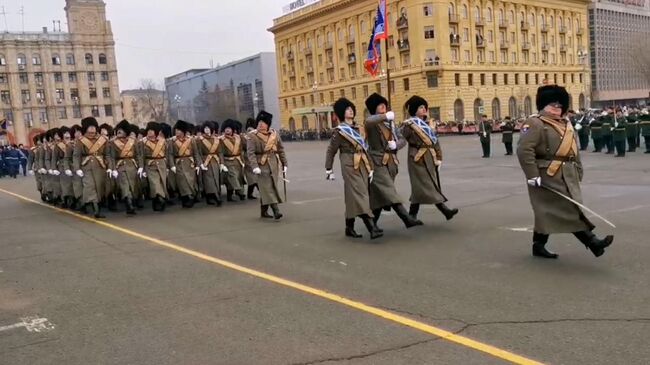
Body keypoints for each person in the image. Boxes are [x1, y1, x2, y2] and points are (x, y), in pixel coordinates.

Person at [517, 85, 614, 259]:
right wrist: (532, 175)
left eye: (559, 105)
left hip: (567, 173)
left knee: (548, 212)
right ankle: (593, 243)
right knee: (568, 209)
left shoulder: (565, 123)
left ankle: (538, 245)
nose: (557, 108)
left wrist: (578, 170)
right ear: (543, 105)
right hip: (548, 174)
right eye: (552, 105)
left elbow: (573, 150)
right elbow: (524, 150)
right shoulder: (535, 122)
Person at [326, 98, 382, 239]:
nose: (350, 110)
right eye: (346, 109)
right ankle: (371, 227)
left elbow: (365, 148)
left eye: (351, 108)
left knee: (354, 195)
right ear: (341, 113)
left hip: (362, 162)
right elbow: (331, 150)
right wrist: (329, 169)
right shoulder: (339, 131)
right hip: (349, 163)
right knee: (360, 194)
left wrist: (371, 167)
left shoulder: (358, 129)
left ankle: (349, 227)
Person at [364, 93, 422, 229]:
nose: (383, 105)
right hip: (377, 162)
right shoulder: (373, 124)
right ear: (374, 108)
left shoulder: (390, 123)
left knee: (381, 196)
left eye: (384, 103)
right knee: (390, 192)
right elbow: (369, 121)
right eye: (379, 104)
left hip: (391, 162)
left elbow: (402, 139)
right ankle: (407, 219)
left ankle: (372, 225)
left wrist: (396, 145)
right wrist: (385, 116)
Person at [402, 95, 459, 223]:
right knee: (427, 186)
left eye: (424, 107)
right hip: (417, 158)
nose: (424, 109)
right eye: (420, 107)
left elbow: (435, 142)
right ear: (414, 110)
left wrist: (439, 157)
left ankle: (412, 215)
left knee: (422, 187)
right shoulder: (409, 125)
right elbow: (401, 138)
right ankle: (445, 211)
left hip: (430, 157)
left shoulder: (427, 125)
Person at [246, 111, 288, 220]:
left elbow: (281, 150)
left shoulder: (274, 134)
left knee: (268, 188)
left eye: (263, 122)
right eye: (259, 122)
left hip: (273, 164)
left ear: (268, 124)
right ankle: (276, 211)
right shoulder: (252, 136)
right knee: (267, 188)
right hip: (261, 165)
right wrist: (255, 166)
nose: (261, 124)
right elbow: (250, 153)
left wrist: (285, 163)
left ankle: (263, 211)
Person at [73, 117, 110, 219]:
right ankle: (96, 210)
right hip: (87, 167)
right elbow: (76, 156)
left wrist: (110, 167)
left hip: (100, 166)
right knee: (90, 187)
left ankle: (95, 204)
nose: (92, 130)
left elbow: (107, 154)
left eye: (93, 127)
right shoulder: (81, 141)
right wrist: (77, 168)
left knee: (100, 187)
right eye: (90, 127)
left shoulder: (103, 140)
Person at [107, 120, 140, 215]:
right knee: (124, 185)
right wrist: (113, 169)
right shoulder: (113, 143)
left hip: (132, 165)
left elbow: (138, 155)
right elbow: (111, 157)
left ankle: (130, 201)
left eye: (121, 130)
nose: (119, 132)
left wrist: (140, 167)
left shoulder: (133, 141)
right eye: (118, 130)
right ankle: (129, 204)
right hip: (120, 165)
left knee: (132, 186)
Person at [138, 122, 169, 212]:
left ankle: (157, 201)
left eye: (151, 130)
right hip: (150, 164)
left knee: (162, 183)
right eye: (148, 130)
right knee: (154, 183)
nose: (150, 132)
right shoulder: (143, 142)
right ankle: (160, 198)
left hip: (162, 163)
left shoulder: (162, 141)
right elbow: (141, 155)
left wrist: (168, 166)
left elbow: (166, 153)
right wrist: (141, 167)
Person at [168, 120, 198, 208]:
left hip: (190, 163)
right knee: (182, 182)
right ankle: (188, 197)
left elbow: (195, 153)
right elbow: (170, 154)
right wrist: (172, 165)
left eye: (179, 130)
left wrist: (198, 164)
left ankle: (190, 196)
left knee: (190, 181)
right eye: (176, 130)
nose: (177, 132)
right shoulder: (172, 141)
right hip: (179, 163)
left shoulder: (191, 140)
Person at [195, 120, 224, 206]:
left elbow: (220, 152)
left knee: (216, 179)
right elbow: (198, 153)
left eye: (208, 128)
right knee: (209, 181)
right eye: (205, 128)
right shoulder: (200, 140)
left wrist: (222, 163)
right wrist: (200, 163)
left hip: (215, 161)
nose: (207, 130)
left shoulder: (216, 139)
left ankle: (212, 197)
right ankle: (216, 198)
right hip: (205, 162)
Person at [220, 119, 247, 201]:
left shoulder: (238, 138)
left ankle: (230, 195)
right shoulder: (221, 139)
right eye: (226, 128)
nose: (227, 130)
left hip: (238, 160)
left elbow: (245, 147)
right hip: (227, 160)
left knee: (238, 177)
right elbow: (220, 152)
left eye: (229, 128)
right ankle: (239, 191)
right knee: (232, 176)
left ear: (232, 129)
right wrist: (222, 163)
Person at [51, 127, 74, 208]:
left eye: (68, 133)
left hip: (73, 165)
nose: (67, 135)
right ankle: (64, 200)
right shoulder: (58, 146)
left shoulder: (73, 144)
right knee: (65, 185)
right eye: (65, 133)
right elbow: (54, 158)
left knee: (73, 184)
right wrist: (54, 168)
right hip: (62, 166)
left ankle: (73, 200)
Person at [244, 118, 259, 199]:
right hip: (247, 159)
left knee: (255, 178)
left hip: (255, 158)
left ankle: (250, 194)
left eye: (251, 129)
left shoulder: (256, 137)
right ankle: (252, 194)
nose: (249, 131)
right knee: (252, 178)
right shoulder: (244, 138)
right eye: (248, 129)